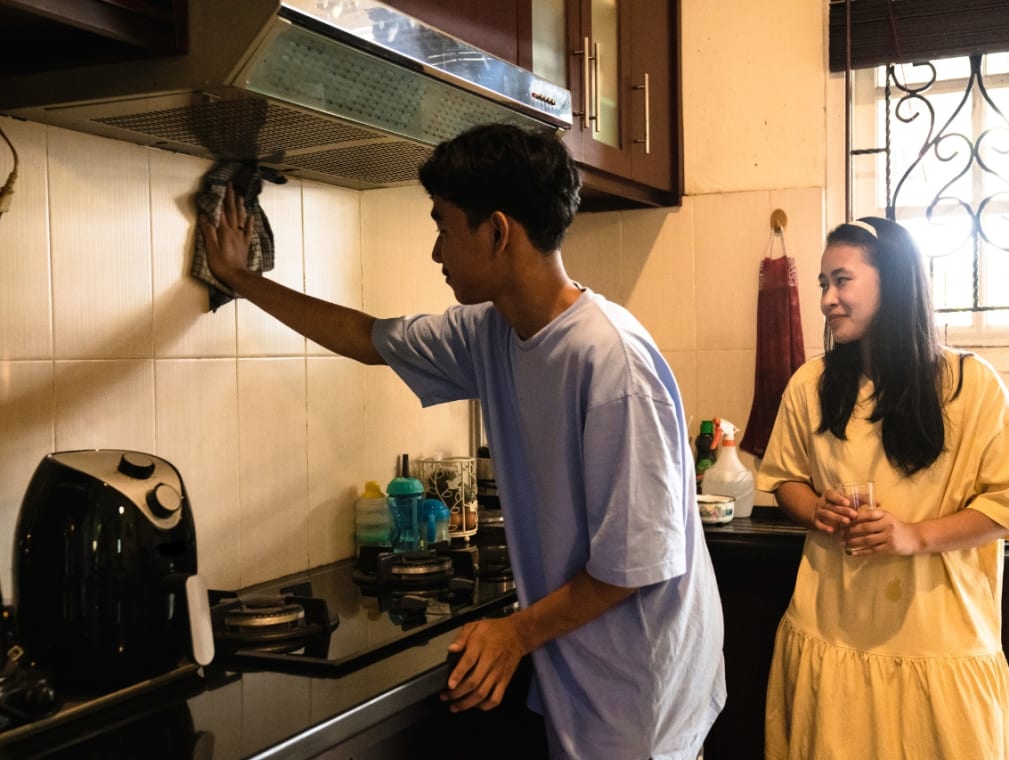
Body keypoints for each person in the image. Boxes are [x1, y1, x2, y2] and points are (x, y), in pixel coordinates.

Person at [198, 123, 726, 759]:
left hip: (642, 694)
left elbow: (635, 565)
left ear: (497, 232)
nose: (436, 251)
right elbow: (369, 339)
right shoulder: (493, 331)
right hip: (583, 676)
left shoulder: (612, 364)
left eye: (443, 226)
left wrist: (514, 633)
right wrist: (239, 275)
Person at [756, 216, 1009, 760]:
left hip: (938, 642)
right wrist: (818, 509)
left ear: (894, 281)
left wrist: (912, 536)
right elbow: (783, 479)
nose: (827, 300)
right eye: (823, 284)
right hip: (831, 629)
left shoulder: (970, 385)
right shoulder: (810, 385)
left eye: (842, 280)